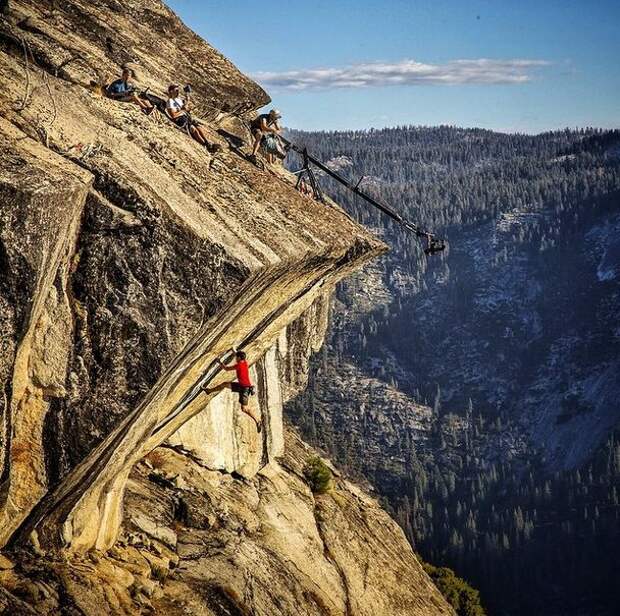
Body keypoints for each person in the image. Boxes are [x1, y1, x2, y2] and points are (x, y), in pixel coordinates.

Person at [203, 351, 261, 431]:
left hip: (245, 388)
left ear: (239, 358)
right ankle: (209, 391)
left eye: (236, 357)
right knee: (224, 384)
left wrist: (219, 362)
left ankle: (257, 420)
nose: (235, 358)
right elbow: (238, 354)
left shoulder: (239, 365)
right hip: (242, 386)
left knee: (244, 408)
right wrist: (234, 351)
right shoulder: (244, 362)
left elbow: (226, 369)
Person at [166, 84, 221, 153]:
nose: (178, 92)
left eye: (178, 90)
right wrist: (183, 110)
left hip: (185, 116)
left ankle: (208, 143)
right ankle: (206, 145)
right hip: (179, 119)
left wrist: (187, 101)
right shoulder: (170, 102)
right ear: (171, 91)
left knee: (198, 127)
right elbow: (173, 116)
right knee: (193, 128)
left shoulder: (178, 100)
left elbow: (184, 108)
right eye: (176, 90)